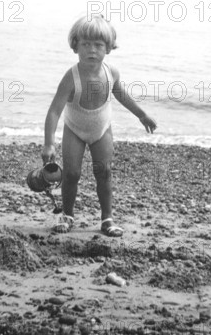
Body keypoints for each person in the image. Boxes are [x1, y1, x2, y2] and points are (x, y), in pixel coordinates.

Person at [41, 14, 157, 236]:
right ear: (75, 46)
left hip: (101, 129)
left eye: (98, 45)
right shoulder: (70, 77)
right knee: (72, 174)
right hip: (74, 129)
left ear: (109, 48)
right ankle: (67, 215)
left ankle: (107, 219)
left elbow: (121, 95)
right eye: (86, 44)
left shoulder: (111, 72)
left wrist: (142, 115)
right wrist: (49, 144)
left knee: (104, 172)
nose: (92, 50)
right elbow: (55, 111)